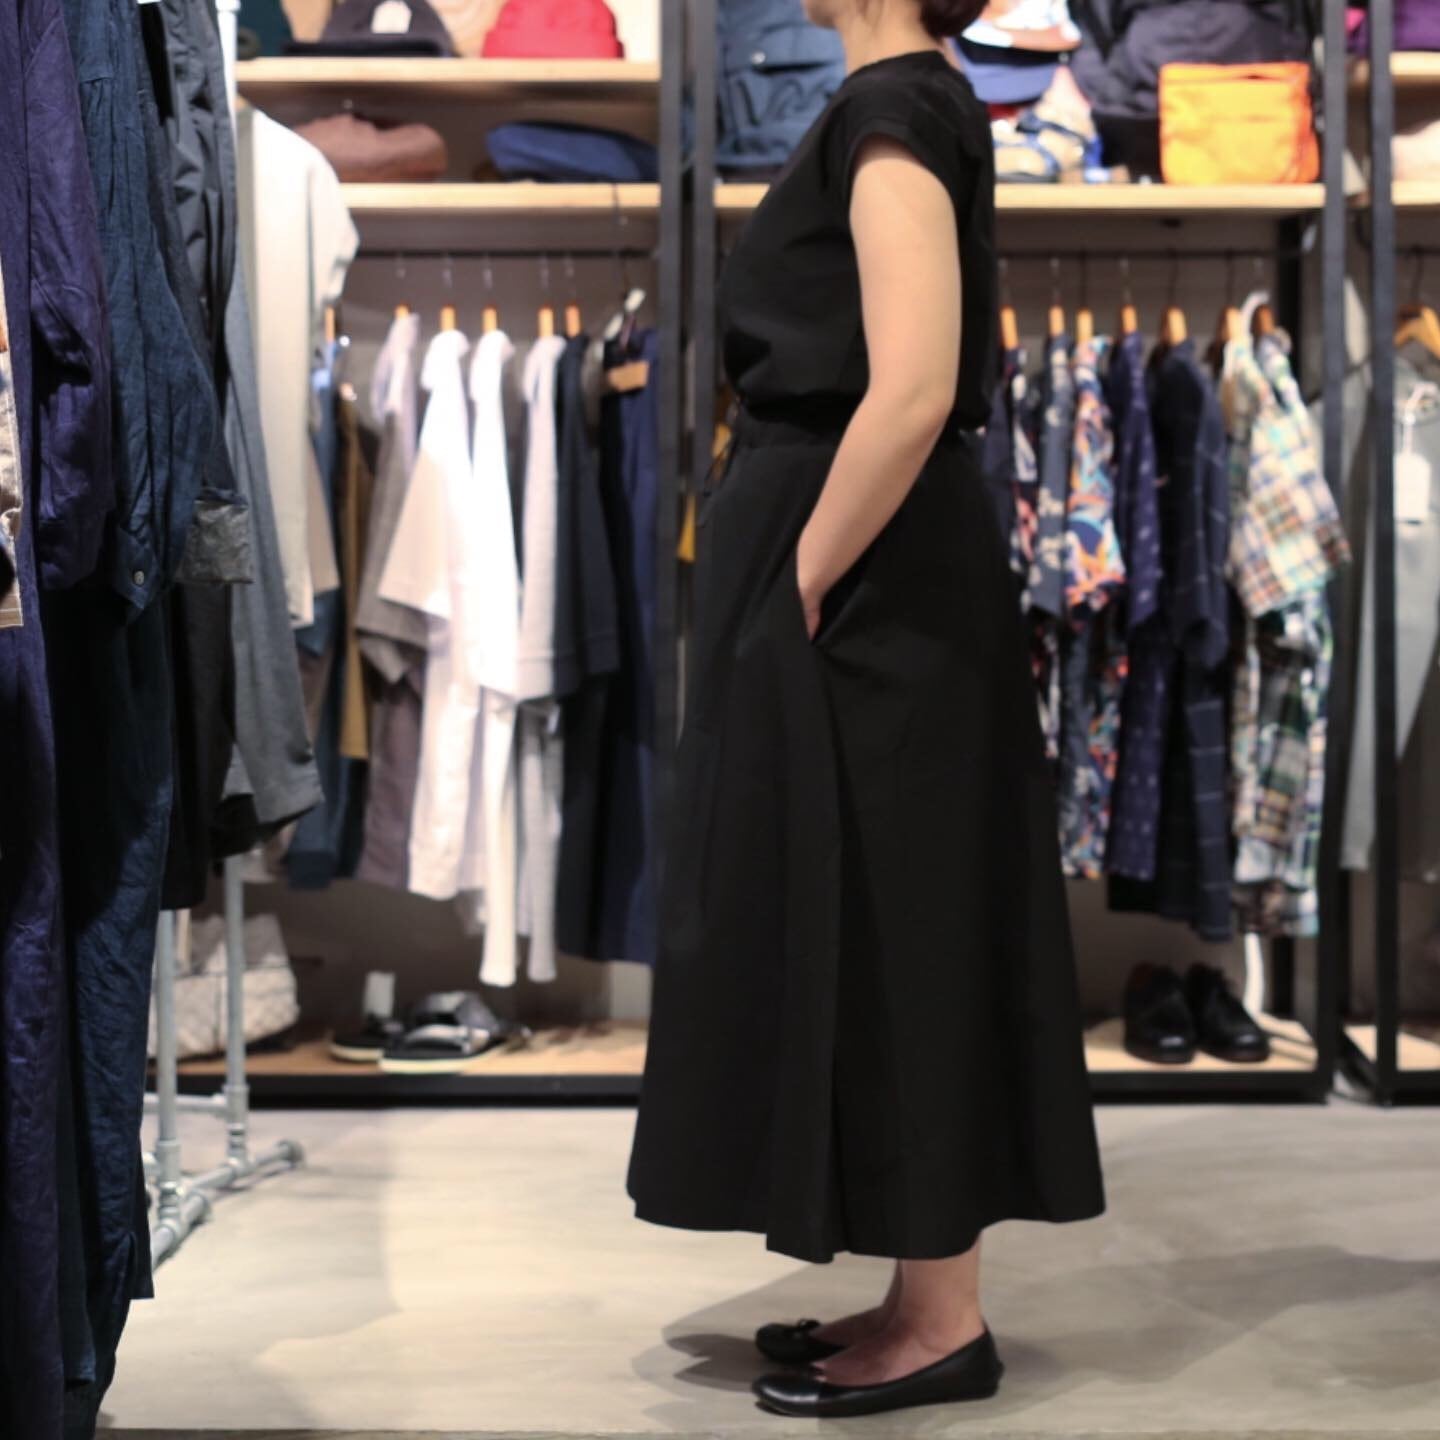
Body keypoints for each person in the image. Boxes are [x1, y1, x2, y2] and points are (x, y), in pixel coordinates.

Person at [627, 0, 1106, 1419]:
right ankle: (920, 1295)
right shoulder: (897, 101)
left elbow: (911, 389)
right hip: (864, 570)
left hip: (867, 581)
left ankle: (943, 1324)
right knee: (880, 914)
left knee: (903, 922)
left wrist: (804, 572)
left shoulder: (892, 112)